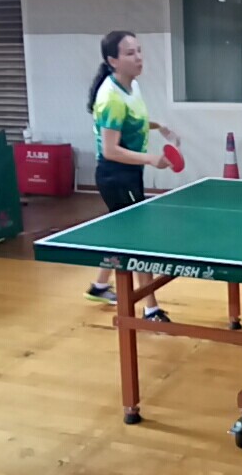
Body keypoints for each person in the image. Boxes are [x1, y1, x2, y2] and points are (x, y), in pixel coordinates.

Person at [84, 30, 179, 323]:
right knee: (137, 241)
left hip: (130, 172)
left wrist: (158, 126)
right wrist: (152, 159)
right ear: (113, 60)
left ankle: (99, 286)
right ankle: (150, 308)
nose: (138, 57)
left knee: (121, 235)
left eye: (139, 50)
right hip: (115, 176)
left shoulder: (131, 85)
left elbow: (132, 121)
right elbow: (111, 150)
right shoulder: (110, 98)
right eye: (129, 53)